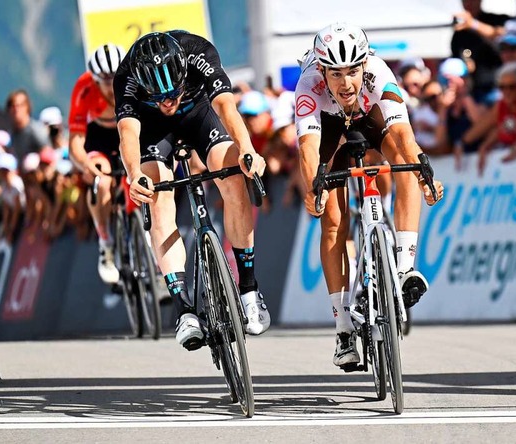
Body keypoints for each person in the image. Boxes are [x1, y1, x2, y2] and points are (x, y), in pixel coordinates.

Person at [295, 23, 444, 368]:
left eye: (352, 71)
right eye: (335, 74)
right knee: (333, 222)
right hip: (328, 128)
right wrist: (313, 189)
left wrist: (424, 174)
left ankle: (405, 268)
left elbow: (405, 136)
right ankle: (343, 327)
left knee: (405, 165)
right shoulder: (308, 86)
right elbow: (309, 151)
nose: (345, 83)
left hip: (369, 117)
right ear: (321, 71)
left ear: (364, 64)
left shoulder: (379, 73)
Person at [113, 31, 271, 350]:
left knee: (233, 177)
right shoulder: (127, 75)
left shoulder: (198, 52)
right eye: (159, 96)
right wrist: (133, 175)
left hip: (199, 115)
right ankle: (183, 308)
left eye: (173, 93)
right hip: (154, 132)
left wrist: (247, 150)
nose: (168, 102)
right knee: (157, 196)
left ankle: (249, 288)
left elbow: (226, 107)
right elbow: (128, 133)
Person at [68, 43, 125, 284]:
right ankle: (106, 244)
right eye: (105, 82)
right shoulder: (84, 89)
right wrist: (85, 166)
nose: (112, 88)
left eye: (116, 80)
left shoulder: (136, 79)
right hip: (98, 138)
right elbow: (75, 144)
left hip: (127, 132)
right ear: (94, 79)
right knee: (101, 182)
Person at [6, 89, 51, 160]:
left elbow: (48, 152)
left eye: (20, 105)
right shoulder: (12, 133)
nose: (16, 110)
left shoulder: (36, 130)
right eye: (12, 106)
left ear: (27, 107)